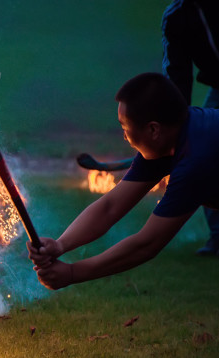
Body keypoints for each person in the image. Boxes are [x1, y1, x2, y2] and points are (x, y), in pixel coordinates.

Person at [27, 72, 219, 290]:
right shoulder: (170, 138)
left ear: (153, 129)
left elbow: (147, 244)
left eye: (125, 127)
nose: (124, 136)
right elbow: (110, 207)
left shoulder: (195, 160)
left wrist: (72, 273)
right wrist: (60, 244)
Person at [162, 0, 219, 256]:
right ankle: (218, 236)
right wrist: (176, 129)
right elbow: (177, 74)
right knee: (203, 152)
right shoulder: (177, 16)